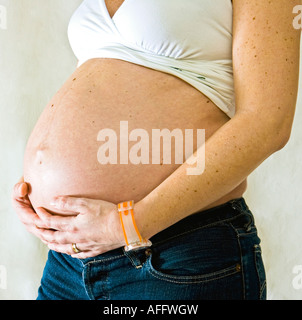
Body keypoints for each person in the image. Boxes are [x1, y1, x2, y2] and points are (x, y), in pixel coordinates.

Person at [12, 0, 300, 300]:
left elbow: (268, 122)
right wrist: (40, 183)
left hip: (175, 254)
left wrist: (125, 225)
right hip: (69, 263)